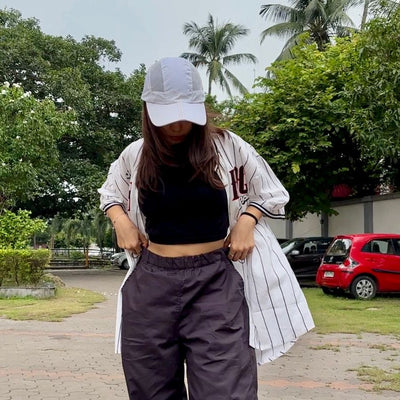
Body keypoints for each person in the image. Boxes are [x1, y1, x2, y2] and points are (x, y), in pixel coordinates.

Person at [99, 57, 314, 400]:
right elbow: (110, 192)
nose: (178, 124)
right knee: (151, 391)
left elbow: (271, 192)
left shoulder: (228, 147)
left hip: (215, 282)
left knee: (225, 391)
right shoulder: (135, 155)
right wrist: (119, 219)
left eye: (186, 113)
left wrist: (247, 220)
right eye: (167, 115)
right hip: (152, 282)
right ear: (148, 111)